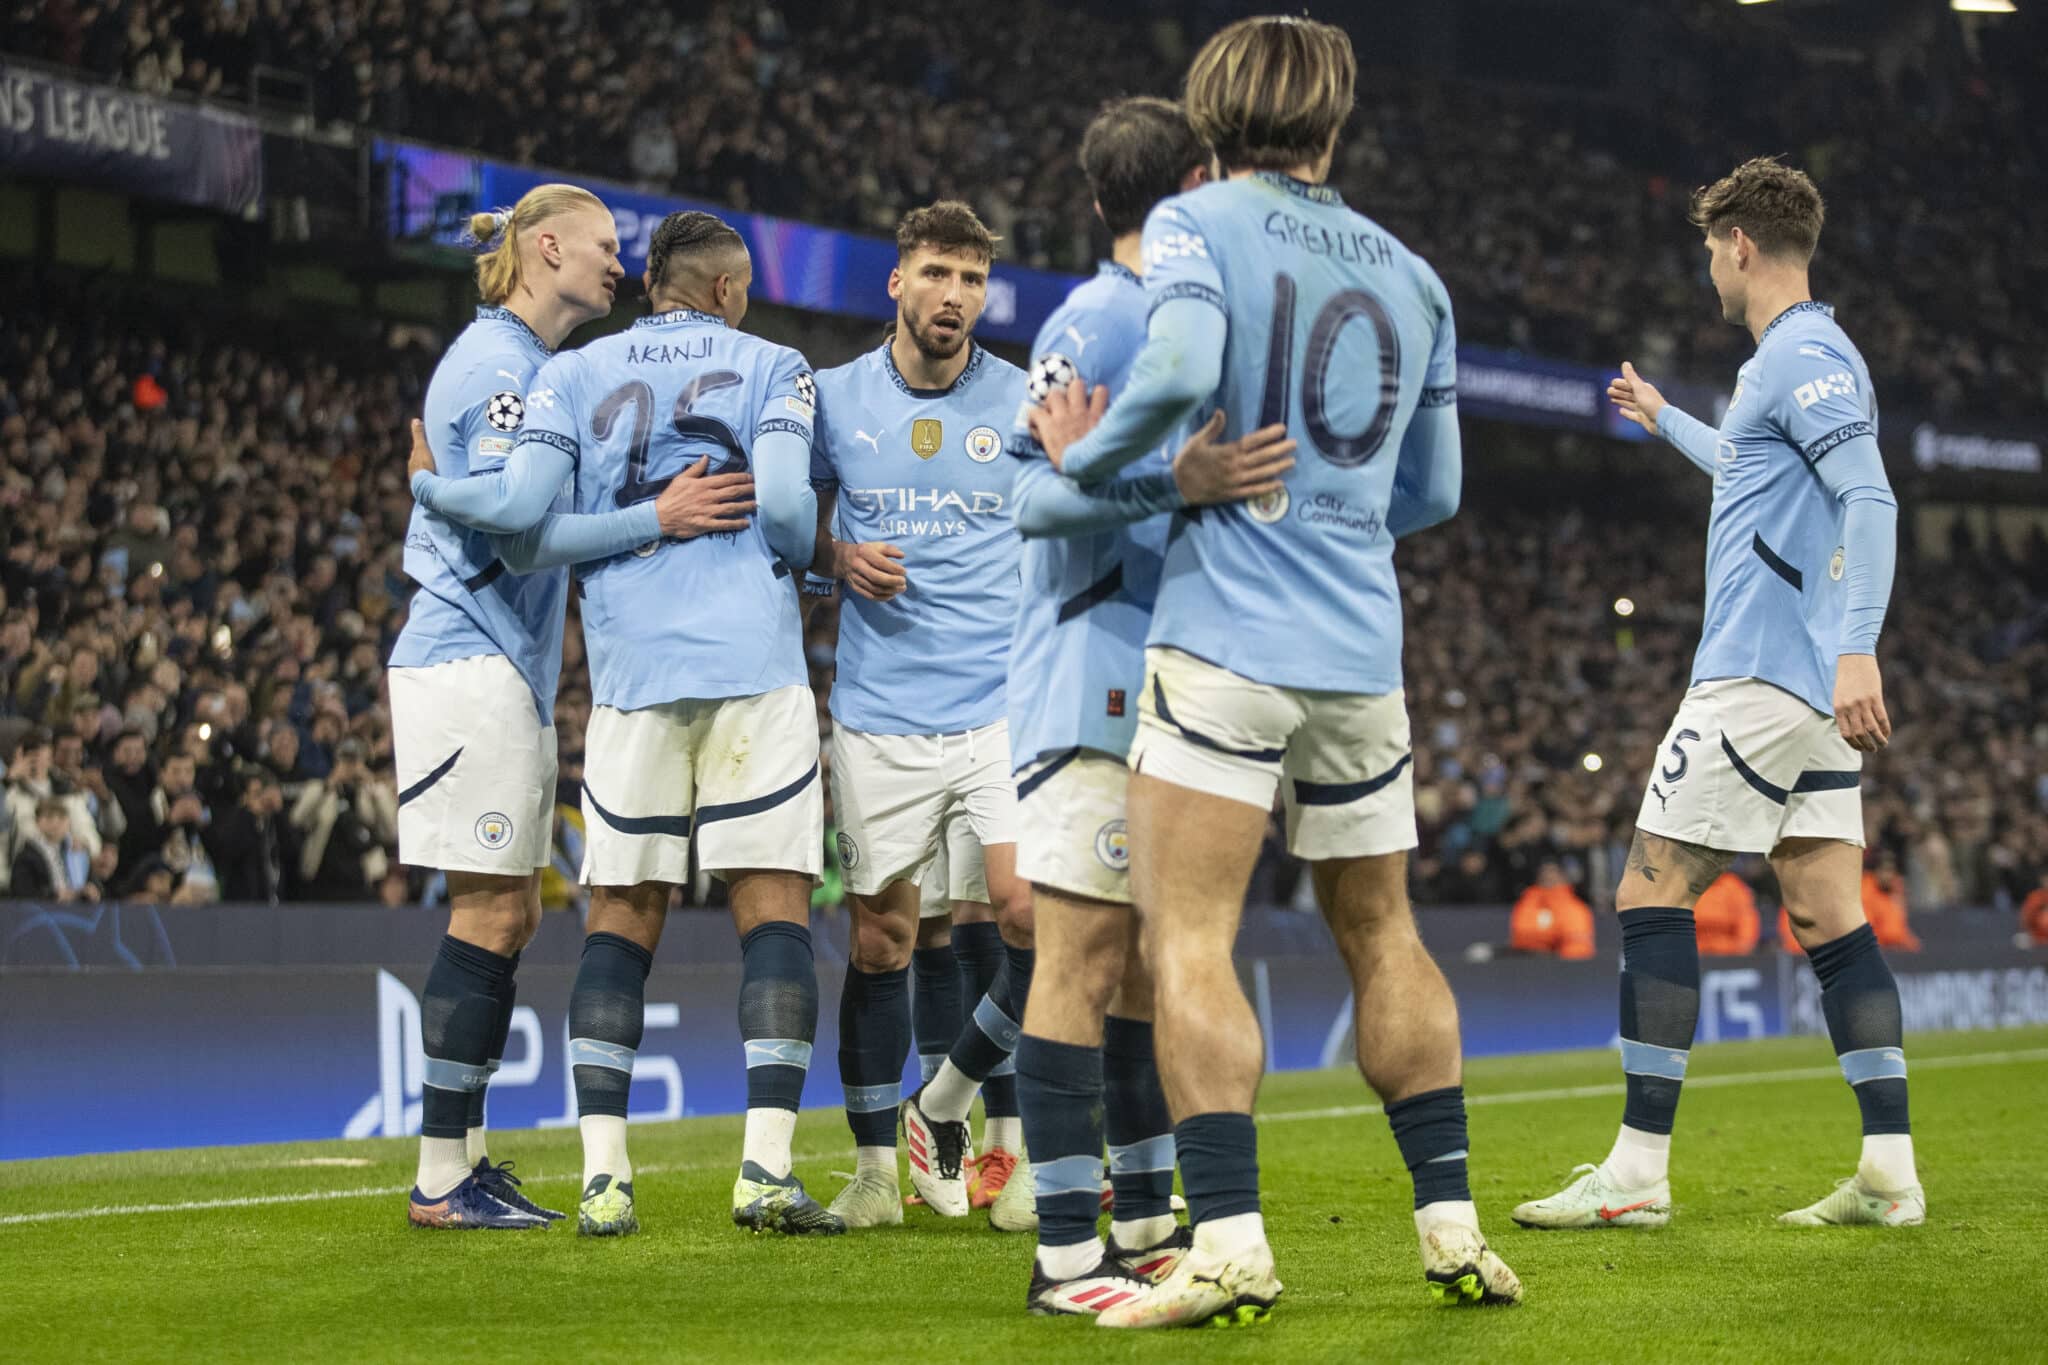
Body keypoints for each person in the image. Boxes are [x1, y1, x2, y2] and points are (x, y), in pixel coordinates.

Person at [1027, 17, 1516, 1326]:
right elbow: (1441, 490)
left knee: (1190, 938)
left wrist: (1092, 468)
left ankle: (1231, 1242)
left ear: (1210, 117)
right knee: (1385, 933)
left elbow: (1180, 367)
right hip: (1363, 649)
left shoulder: (1198, 224)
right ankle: (1452, 1222)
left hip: (1226, 638)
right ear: (1336, 125)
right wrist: (1339, 527)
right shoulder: (1415, 278)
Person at [1514, 157, 1920, 1232]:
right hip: (1801, 695)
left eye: (1708, 246)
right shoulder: (1785, 367)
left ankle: (1636, 1171)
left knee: (1648, 898)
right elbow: (1750, 467)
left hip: (1758, 680)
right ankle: (1887, 1168)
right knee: (1829, 916)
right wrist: (1663, 420)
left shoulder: (1803, 354)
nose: (1706, 264)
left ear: (1738, 243)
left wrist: (1857, 649)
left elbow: (1868, 495)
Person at [461, 208, 835, 1238]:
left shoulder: (568, 375)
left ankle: (604, 1181)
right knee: (773, 913)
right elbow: (792, 514)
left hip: (629, 678)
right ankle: (763, 1173)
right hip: (752, 671)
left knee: (619, 926)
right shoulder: (776, 364)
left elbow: (530, 531)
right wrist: (811, 567)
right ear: (723, 289)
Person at [1006, 95, 1297, 1316]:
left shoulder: (1176, 314)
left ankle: (1136, 1222)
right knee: (1079, 957)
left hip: (1161, 670)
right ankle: (1064, 1254)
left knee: (1130, 968)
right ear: (1192, 182)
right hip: (1093, 669)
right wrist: (1159, 480)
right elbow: (1031, 499)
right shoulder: (1105, 317)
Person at [392, 182, 705, 1231]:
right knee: (487, 906)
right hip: (465, 657)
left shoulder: (530, 369)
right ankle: (441, 1175)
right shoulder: (496, 371)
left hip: (502, 668)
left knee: (512, 908)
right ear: (546, 248)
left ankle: (466, 1157)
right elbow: (520, 533)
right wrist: (650, 519)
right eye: (605, 246)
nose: (619, 264)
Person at [807, 201, 1035, 1226]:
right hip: (878, 713)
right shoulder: (834, 398)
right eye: (937, 273)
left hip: (1001, 707)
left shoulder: (1027, 403)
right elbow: (783, 519)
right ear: (895, 282)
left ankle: (955, 1112)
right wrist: (834, 558)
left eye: (972, 281)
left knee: (1031, 916)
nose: (954, 296)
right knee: (881, 943)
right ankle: (870, 1180)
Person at [1509, 861, 1596, 959]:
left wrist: (1545, 941)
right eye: (1544, 874)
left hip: (1563, 967)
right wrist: (1554, 938)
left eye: (1553, 874)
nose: (1548, 878)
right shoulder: (1527, 901)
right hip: (1527, 963)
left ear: (1563, 877)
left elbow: (1578, 945)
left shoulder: (1575, 907)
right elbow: (1520, 935)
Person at [1692, 872, 1760, 956]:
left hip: (1729, 953)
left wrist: (1744, 946)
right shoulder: (1685, 885)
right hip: (1694, 950)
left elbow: (1746, 918)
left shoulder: (1733, 885)